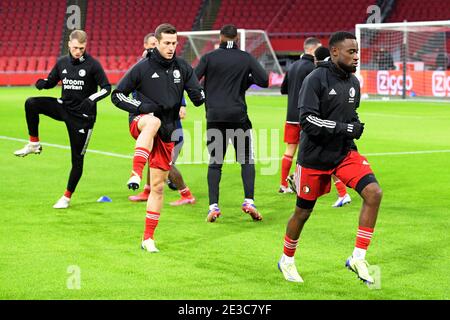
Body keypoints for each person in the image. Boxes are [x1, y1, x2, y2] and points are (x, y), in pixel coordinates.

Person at [277, 32, 383, 285]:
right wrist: (344, 128)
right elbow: (308, 121)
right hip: (314, 157)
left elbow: (350, 113)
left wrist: (355, 124)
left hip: (344, 153)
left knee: (374, 193)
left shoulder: (353, 82)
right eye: (351, 52)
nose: (356, 56)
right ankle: (287, 259)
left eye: (357, 51)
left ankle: (357, 257)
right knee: (303, 213)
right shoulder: (315, 79)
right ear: (334, 52)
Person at [111, 23, 204, 252]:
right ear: (157, 42)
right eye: (167, 43)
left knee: (158, 188)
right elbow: (118, 95)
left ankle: (148, 239)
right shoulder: (142, 67)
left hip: (169, 130)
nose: (171, 47)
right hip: (141, 121)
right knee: (153, 120)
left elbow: (197, 97)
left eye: (174, 43)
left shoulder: (182, 67)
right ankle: (135, 172)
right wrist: (142, 106)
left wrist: (200, 94)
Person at [14, 30, 111, 209]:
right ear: (69, 44)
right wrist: (43, 83)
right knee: (31, 104)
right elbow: (52, 81)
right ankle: (33, 143)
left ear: (85, 46)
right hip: (64, 107)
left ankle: (66, 197)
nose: (78, 51)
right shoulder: (62, 62)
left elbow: (106, 88)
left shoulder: (93, 65)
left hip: (82, 118)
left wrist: (91, 100)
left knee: (77, 159)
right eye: (75, 48)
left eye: (81, 48)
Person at [195, 24, 269, 223]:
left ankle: (213, 206)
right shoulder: (245, 57)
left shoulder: (209, 58)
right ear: (236, 38)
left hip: (215, 116)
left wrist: (205, 95)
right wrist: (245, 80)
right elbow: (264, 80)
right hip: (238, 116)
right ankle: (249, 202)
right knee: (246, 159)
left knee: (215, 163)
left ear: (220, 37)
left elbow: (193, 81)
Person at [129, 33, 196, 206]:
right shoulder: (142, 69)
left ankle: (186, 194)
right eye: (151, 45)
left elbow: (174, 89)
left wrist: (183, 104)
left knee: (166, 164)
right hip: (153, 124)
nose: (154, 49)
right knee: (152, 156)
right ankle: (147, 191)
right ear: (146, 46)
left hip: (171, 129)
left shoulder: (171, 69)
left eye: (155, 45)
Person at [279, 37, 321, 194]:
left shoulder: (293, 66)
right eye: (318, 49)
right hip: (307, 115)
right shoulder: (313, 68)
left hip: (291, 114)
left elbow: (283, 90)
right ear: (311, 50)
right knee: (308, 151)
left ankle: (283, 185)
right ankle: (301, 183)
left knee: (290, 150)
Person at [313, 45, 352, 208]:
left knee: (326, 160)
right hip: (336, 125)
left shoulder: (320, 75)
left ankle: (343, 193)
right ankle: (343, 193)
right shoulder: (335, 74)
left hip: (326, 125)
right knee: (329, 160)